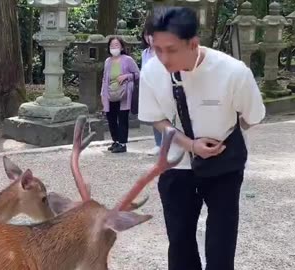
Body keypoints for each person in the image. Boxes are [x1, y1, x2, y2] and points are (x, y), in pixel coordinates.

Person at [138, 6, 265, 270]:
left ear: (193, 43)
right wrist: (190, 145)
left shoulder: (233, 72)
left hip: (223, 168)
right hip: (175, 166)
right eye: (157, 48)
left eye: (171, 49)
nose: (162, 57)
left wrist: (225, 136)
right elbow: (157, 119)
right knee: (180, 242)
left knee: (221, 242)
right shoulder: (152, 71)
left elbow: (252, 117)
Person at [101, 36, 140, 153]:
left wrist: (126, 76)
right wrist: (102, 94)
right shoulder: (107, 61)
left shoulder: (127, 60)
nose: (114, 48)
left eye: (117, 45)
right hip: (110, 93)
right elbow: (104, 79)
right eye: (112, 46)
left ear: (122, 47)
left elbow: (137, 74)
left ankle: (123, 143)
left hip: (123, 94)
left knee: (122, 118)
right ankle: (116, 141)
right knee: (111, 118)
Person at [140, 29, 162, 156]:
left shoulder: (163, 51)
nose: (149, 38)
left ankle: (169, 144)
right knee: (155, 116)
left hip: (162, 88)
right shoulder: (145, 53)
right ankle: (158, 143)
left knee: (167, 117)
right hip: (149, 88)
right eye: (146, 35)